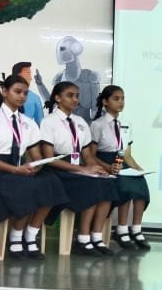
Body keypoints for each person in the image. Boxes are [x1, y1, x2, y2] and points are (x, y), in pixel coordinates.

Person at [0, 74, 68, 260]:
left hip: (18, 168)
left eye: (25, 93)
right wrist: (15, 170)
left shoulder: (29, 123)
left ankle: (29, 234)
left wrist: (36, 167)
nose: (22, 96)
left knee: (51, 182)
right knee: (25, 186)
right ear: (4, 91)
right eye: (17, 92)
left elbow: (36, 156)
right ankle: (15, 237)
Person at [39, 81, 120, 255]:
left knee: (106, 182)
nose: (75, 100)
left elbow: (88, 156)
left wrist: (96, 169)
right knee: (91, 186)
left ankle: (96, 237)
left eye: (77, 96)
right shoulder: (49, 122)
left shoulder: (80, 121)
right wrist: (83, 170)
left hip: (78, 169)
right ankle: (82, 239)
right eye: (70, 95)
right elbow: (49, 159)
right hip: (58, 170)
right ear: (57, 98)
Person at [91, 85, 150, 249]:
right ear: (105, 102)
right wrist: (107, 167)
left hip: (122, 161)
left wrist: (138, 169)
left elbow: (127, 154)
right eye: (116, 99)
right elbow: (91, 155)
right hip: (105, 162)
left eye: (123, 99)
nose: (121, 102)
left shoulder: (127, 123)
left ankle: (136, 229)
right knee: (125, 186)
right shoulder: (98, 124)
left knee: (141, 184)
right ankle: (121, 229)